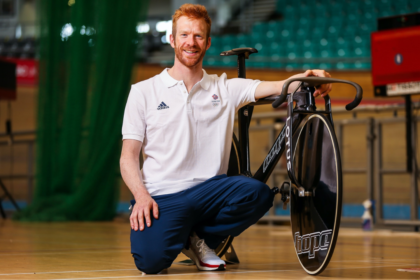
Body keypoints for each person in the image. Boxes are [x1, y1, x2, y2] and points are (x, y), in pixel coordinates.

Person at [120, 3, 332, 275]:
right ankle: (188, 237)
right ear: (172, 39)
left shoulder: (225, 88)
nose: (191, 42)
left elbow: (279, 86)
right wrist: (140, 196)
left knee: (257, 194)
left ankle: (200, 240)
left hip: (210, 192)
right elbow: (128, 156)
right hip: (163, 196)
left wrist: (310, 76)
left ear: (208, 42)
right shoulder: (142, 92)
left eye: (198, 36)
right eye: (184, 35)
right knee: (149, 263)